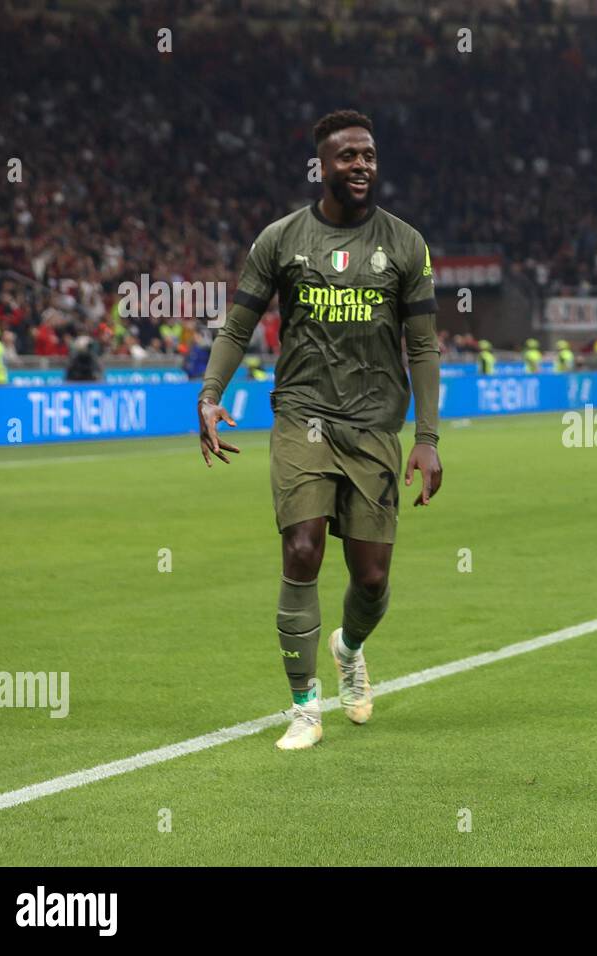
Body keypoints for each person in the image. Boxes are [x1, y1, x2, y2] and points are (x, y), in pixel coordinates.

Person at [197, 109, 443, 751]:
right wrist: (211, 394)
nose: (360, 165)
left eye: (368, 155)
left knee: (370, 580)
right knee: (302, 548)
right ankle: (304, 708)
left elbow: (424, 348)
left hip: (374, 429)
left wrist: (428, 438)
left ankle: (350, 647)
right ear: (323, 166)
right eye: (347, 156)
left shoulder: (407, 245)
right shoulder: (280, 240)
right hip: (301, 419)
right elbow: (237, 326)